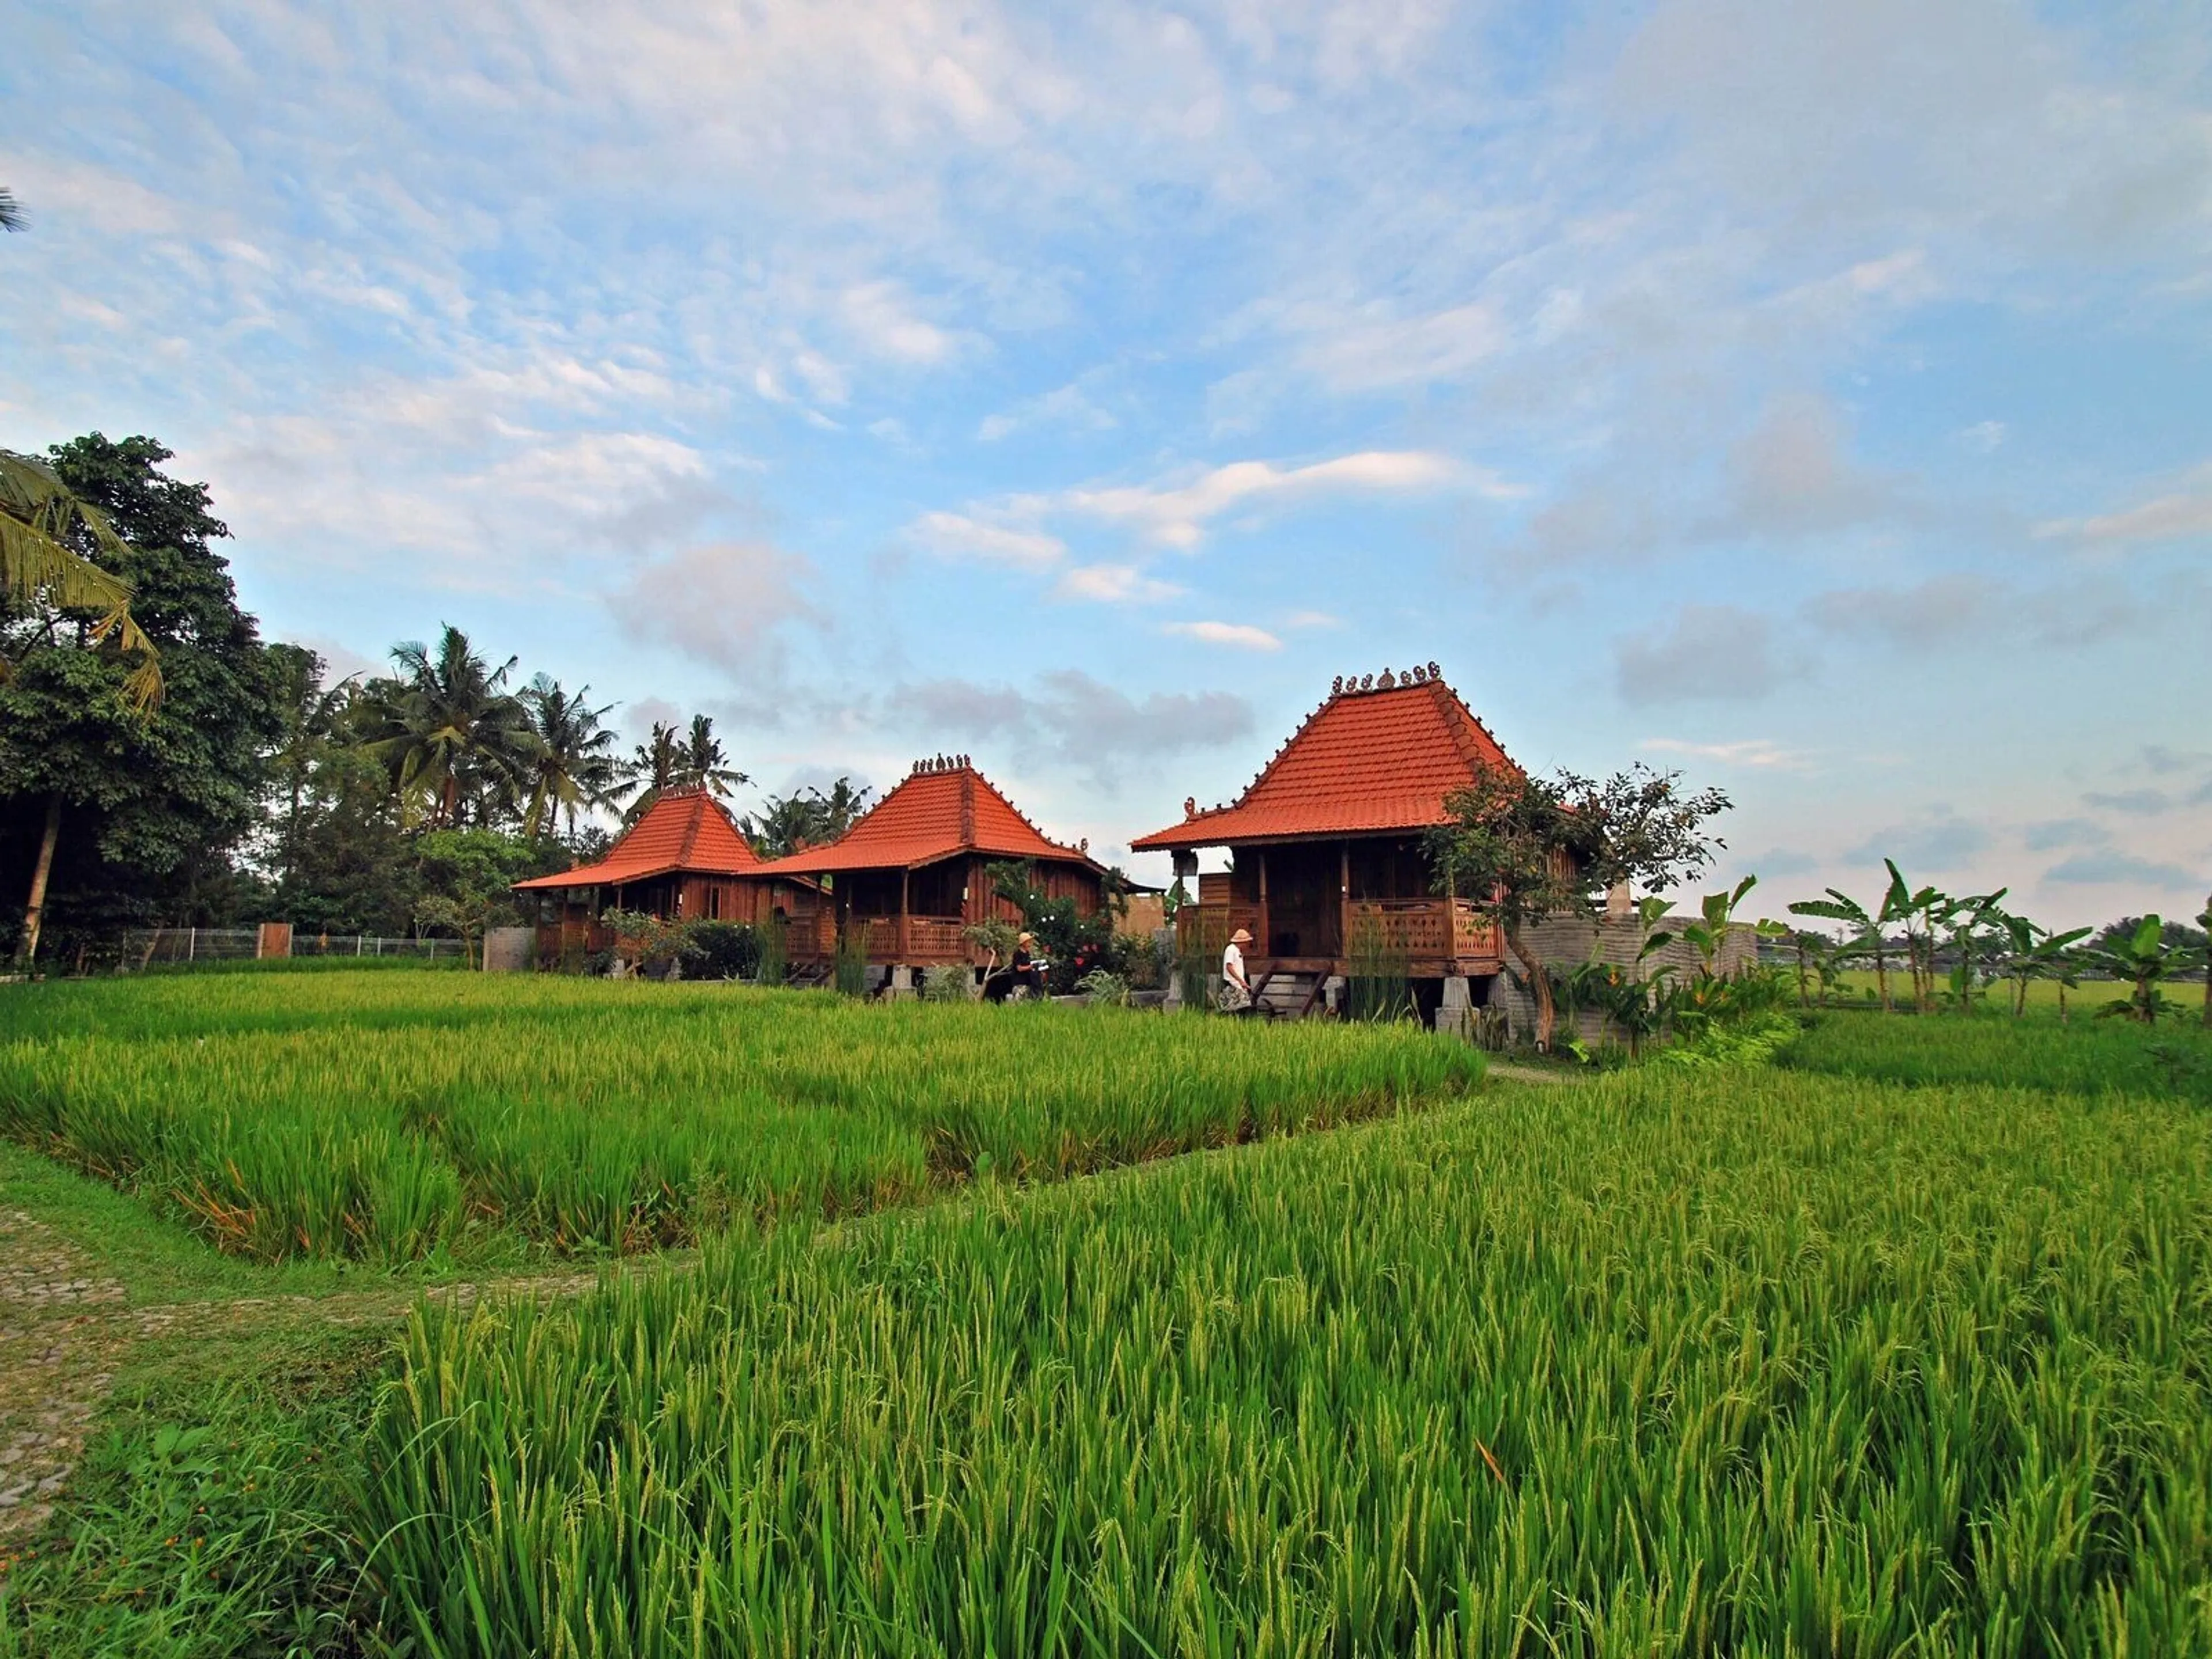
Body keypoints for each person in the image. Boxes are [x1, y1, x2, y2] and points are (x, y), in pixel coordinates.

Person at [1220, 926, 1255, 1014]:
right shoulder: (1231, 950)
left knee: (1243, 1007)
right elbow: (1229, 966)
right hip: (1232, 983)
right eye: (1247, 942)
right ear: (1242, 942)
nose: (1247, 945)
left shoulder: (1237, 951)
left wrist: (1242, 982)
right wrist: (1240, 981)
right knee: (1235, 1008)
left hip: (1238, 983)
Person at [1010, 930, 1046, 998]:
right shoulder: (1017, 954)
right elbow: (1019, 968)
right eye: (1028, 941)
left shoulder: (1028, 954)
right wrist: (1031, 967)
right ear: (1023, 943)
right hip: (1020, 984)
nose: (1030, 943)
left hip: (1029, 983)